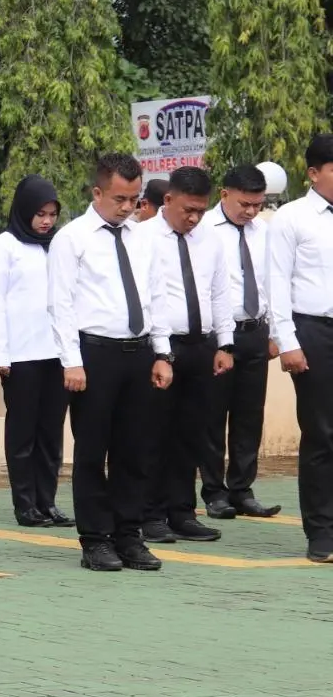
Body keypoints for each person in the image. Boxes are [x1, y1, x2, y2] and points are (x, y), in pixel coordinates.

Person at [47, 153, 171, 573]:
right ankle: (95, 539)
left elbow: (156, 298)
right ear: (97, 192)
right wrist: (71, 361)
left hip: (138, 353)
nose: (127, 207)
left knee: (134, 450)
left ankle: (128, 534)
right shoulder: (73, 238)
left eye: (135, 199)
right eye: (119, 198)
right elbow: (59, 303)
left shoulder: (142, 238)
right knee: (92, 450)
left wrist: (161, 352)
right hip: (94, 353)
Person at [134, 165, 231, 544]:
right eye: (187, 210)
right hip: (161, 347)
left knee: (192, 434)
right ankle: (150, 514)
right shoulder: (142, 237)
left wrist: (225, 343)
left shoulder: (209, 239)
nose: (193, 218)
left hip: (201, 345)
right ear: (168, 200)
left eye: (200, 211)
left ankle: (182, 511)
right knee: (153, 433)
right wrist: (160, 351)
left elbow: (220, 293)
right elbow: (144, 298)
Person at [0, 175, 71, 528]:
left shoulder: (59, 245)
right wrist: (0, 356)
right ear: (23, 211)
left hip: (57, 354)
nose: (46, 221)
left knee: (51, 432)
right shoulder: (2, 248)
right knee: (23, 433)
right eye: (39, 214)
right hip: (20, 356)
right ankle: (25, 505)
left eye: (51, 214)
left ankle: (48, 502)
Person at [267, 133, 333, 562]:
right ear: (314, 173)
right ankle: (322, 532)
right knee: (322, 434)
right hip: (314, 333)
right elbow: (276, 284)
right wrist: (288, 342)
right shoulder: (291, 218)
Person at [200, 164, 278, 519]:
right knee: (213, 414)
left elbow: (271, 284)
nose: (250, 212)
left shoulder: (264, 231)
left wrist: (275, 333)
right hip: (219, 335)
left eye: (257, 205)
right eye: (244, 204)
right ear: (225, 194)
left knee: (250, 415)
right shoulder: (203, 229)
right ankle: (214, 491)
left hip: (255, 331)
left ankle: (242, 489)